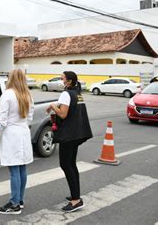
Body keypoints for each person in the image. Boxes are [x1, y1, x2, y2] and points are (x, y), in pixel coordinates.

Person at [46, 71, 93, 213]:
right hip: (78, 133)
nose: (61, 80)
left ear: (69, 81)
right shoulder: (77, 93)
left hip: (69, 135)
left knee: (66, 165)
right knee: (71, 164)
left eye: (62, 79)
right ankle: (75, 196)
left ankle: (76, 201)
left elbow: (63, 114)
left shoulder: (66, 94)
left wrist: (53, 105)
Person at [0, 69, 34, 215]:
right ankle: (20, 200)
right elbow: (30, 117)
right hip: (23, 132)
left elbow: (2, 119)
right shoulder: (28, 94)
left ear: (11, 78)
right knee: (22, 168)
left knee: (14, 170)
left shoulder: (8, 94)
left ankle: (14, 204)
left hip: (11, 134)